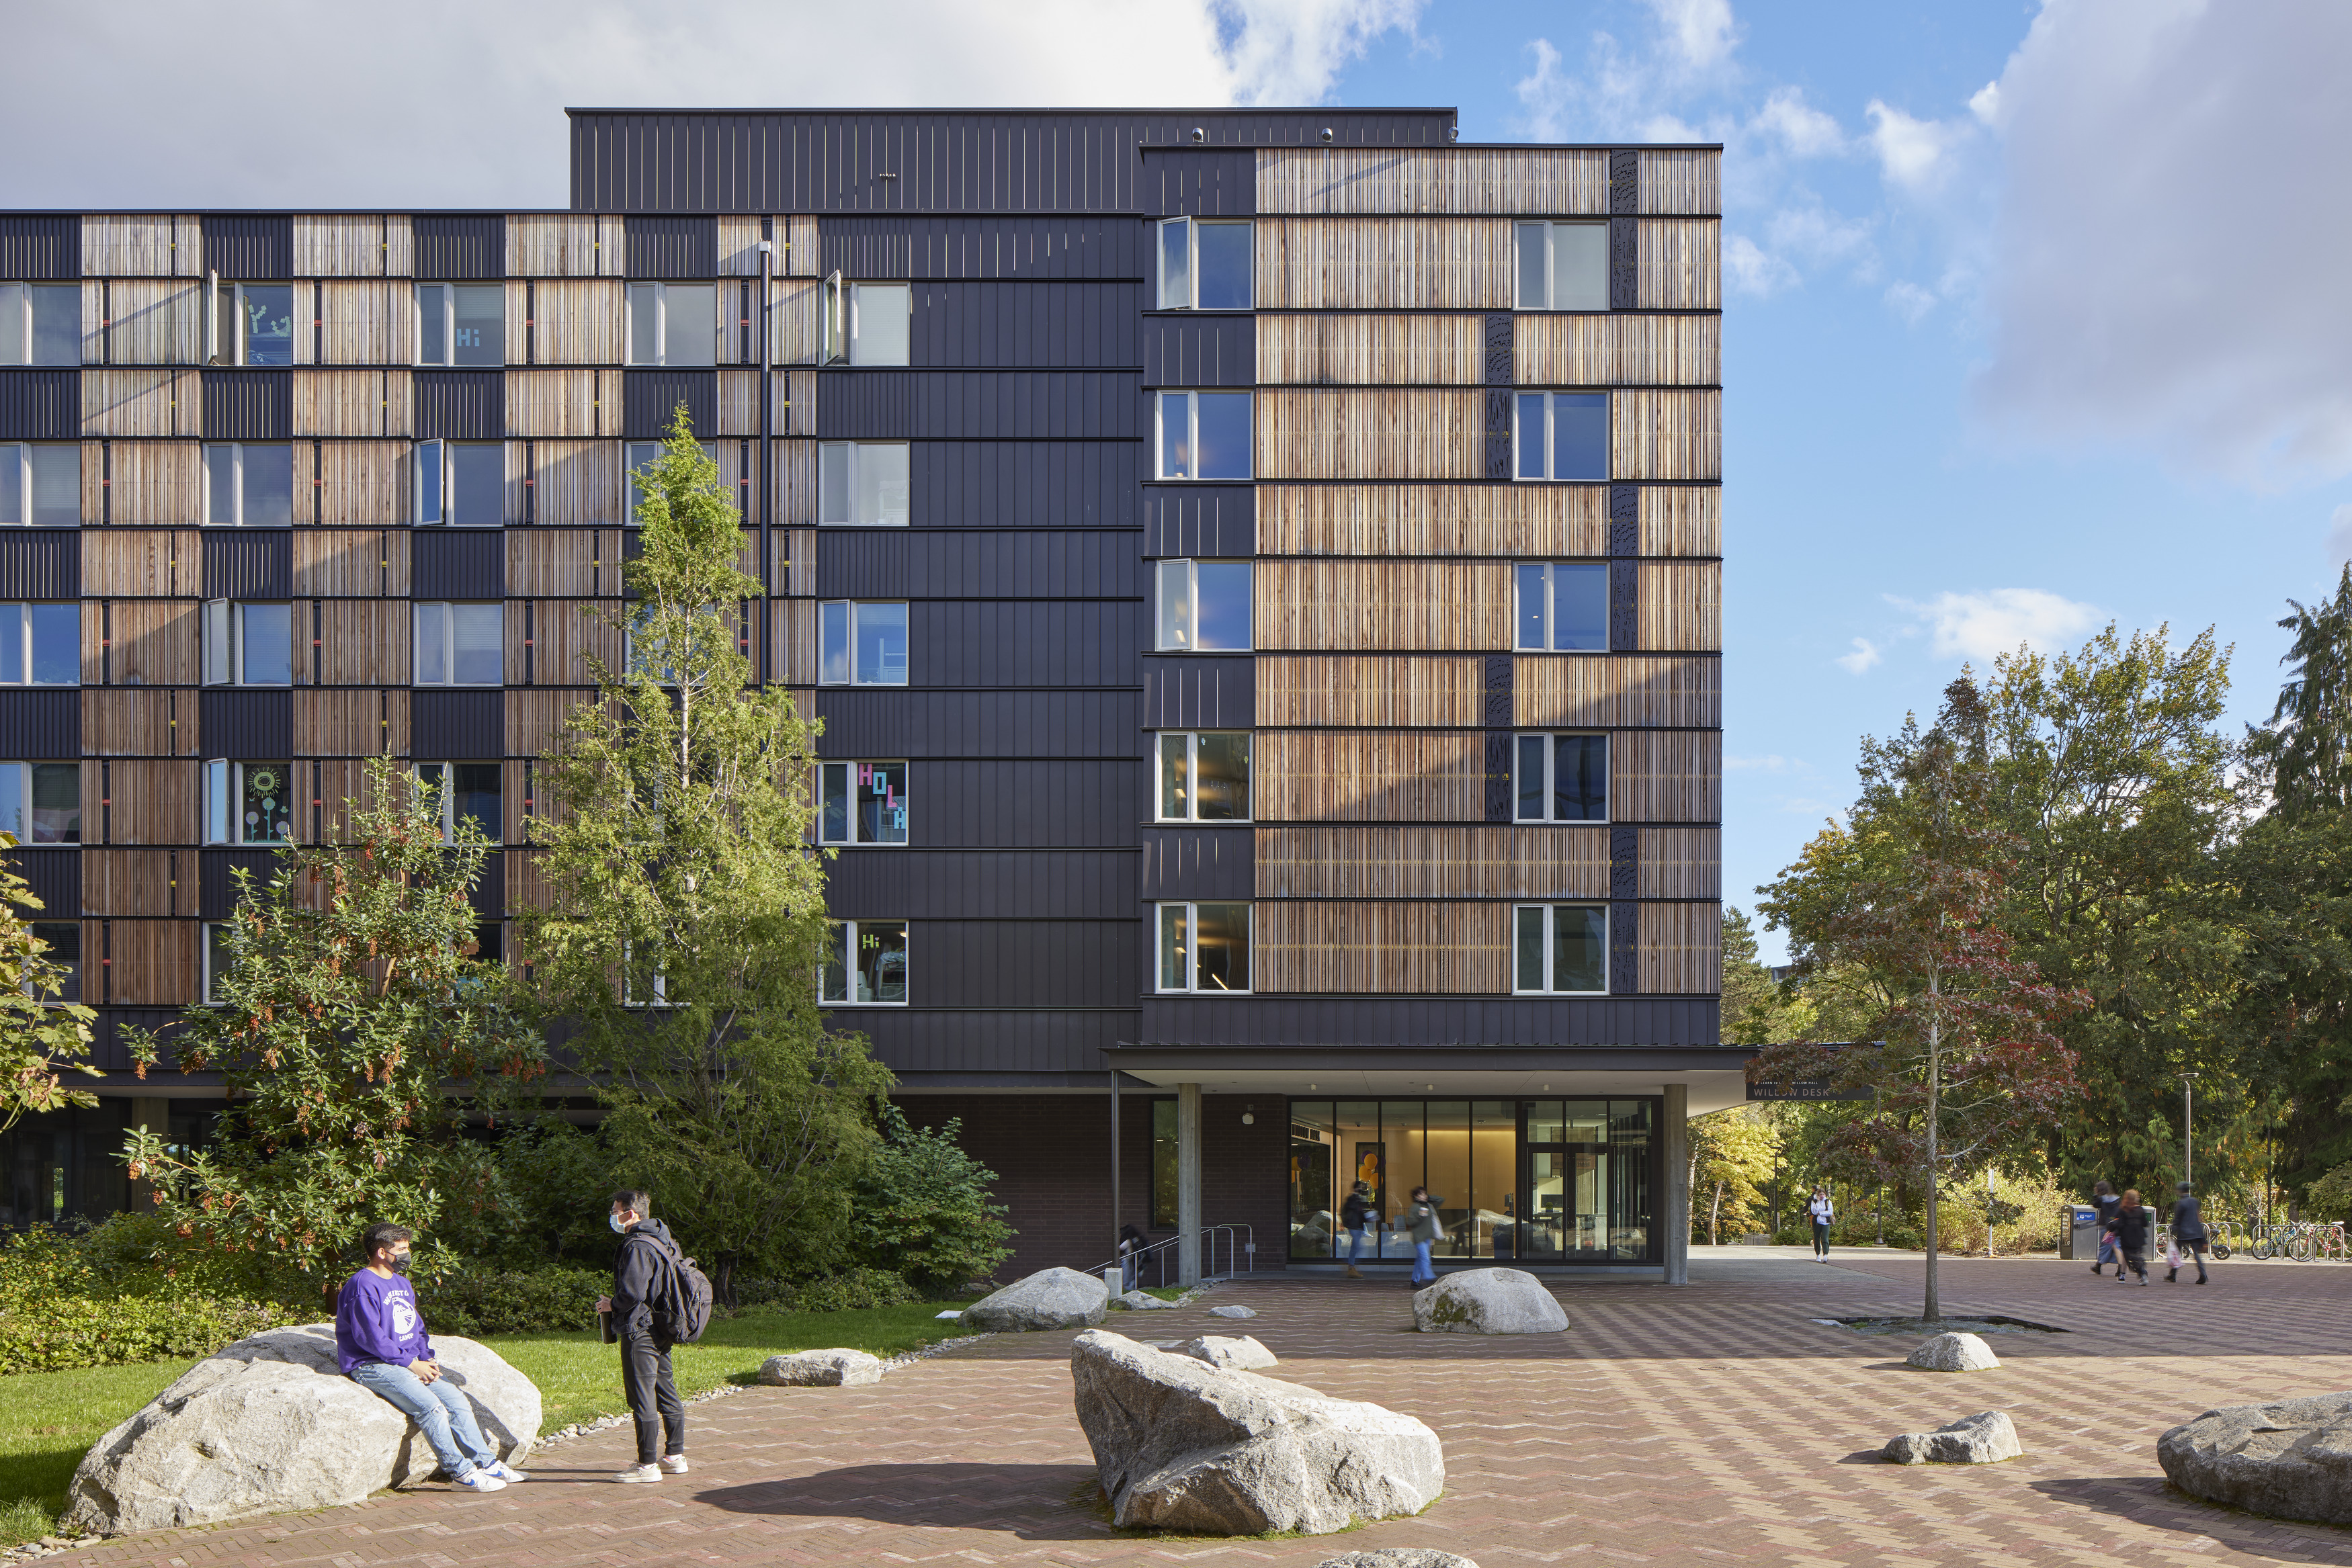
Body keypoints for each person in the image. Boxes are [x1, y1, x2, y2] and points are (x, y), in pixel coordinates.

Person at [336, 1221, 527, 1495]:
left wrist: (426, 1358)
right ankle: (460, 1473)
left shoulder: (402, 1282)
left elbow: (416, 1327)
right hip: (372, 1364)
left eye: (407, 1248)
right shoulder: (362, 1286)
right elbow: (370, 1338)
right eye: (401, 1249)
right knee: (431, 1409)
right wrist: (411, 1364)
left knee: (457, 1401)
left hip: (410, 1360)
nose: (407, 1254)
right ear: (381, 1252)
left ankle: (485, 1464)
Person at [594, 1189, 689, 1483]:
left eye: (615, 1210)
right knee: (666, 1390)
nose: (613, 1216)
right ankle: (675, 1457)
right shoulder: (664, 1239)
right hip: (664, 1326)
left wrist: (612, 1304)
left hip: (640, 1329)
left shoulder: (637, 1245)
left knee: (642, 1397)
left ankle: (647, 1466)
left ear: (630, 1213)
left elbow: (633, 1292)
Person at [2105, 1187, 2152, 1286]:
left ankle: (2140, 1272)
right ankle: (2131, 1273)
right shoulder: (2140, 1210)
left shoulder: (2123, 1210)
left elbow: (2119, 1223)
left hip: (2127, 1237)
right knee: (2137, 1255)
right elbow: (2145, 1223)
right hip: (2139, 1237)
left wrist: (2111, 1228)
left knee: (2128, 1257)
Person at [2168, 1182, 2210, 1284]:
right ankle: (2203, 1274)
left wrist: (2173, 1229)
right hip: (2196, 1231)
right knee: (2196, 1255)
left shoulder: (2180, 1203)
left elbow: (2177, 1219)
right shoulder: (2195, 1201)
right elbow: (2197, 1216)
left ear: (2181, 1191)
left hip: (2183, 1232)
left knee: (2177, 1254)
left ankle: (2173, 1275)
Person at [1402, 1186, 1443, 1289]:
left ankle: (1415, 1281)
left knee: (1420, 1260)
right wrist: (1419, 1215)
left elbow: (1441, 1200)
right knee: (1426, 1258)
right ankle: (1429, 1277)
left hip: (1427, 1238)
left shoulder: (1429, 1206)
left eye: (1424, 1194)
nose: (1423, 1196)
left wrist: (1429, 1198)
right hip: (1419, 1238)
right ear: (1416, 1196)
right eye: (1421, 1194)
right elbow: (1410, 1222)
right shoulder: (1415, 1207)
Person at [1339, 1181, 1377, 1279]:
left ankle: (1350, 1266)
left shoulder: (1357, 1200)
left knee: (1356, 1248)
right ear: (1356, 1188)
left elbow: (1360, 1215)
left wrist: (1368, 1218)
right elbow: (1349, 1213)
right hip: (1354, 1227)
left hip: (1357, 1227)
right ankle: (1350, 1266)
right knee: (1358, 1248)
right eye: (1359, 1187)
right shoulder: (1352, 1199)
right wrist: (1347, 1224)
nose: (1361, 1189)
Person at [1806, 1186, 1835, 1260]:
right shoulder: (1815, 1202)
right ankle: (1818, 1254)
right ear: (1818, 1195)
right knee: (1817, 1238)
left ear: (1825, 1194)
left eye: (1823, 1194)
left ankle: (1825, 1254)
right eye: (1820, 1195)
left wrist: (1821, 1213)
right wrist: (1818, 1203)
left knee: (1825, 1238)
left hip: (1826, 1222)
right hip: (1817, 1222)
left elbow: (1830, 1212)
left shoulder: (1828, 1202)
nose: (1822, 1196)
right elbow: (1814, 1211)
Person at [1118, 1223, 1146, 1291]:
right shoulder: (1134, 1240)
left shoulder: (1127, 1241)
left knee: (1127, 1279)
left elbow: (1119, 1248)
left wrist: (1118, 1240)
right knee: (1131, 1277)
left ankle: (1129, 1291)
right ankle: (1131, 1289)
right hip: (1133, 1261)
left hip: (1128, 1261)